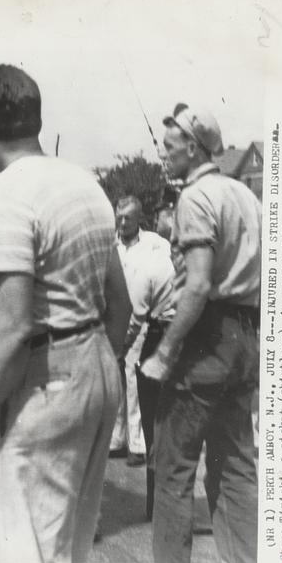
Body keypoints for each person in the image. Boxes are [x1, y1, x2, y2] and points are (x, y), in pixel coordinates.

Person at [0, 64, 132, 563]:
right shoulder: (85, 183)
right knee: (65, 548)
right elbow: (120, 304)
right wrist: (89, 366)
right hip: (95, 371)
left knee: (18, 559)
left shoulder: (5, 192)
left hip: (44, 381)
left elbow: (14, 326)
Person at [140, 103, 261, 563]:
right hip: (246, 339)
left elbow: (199, 284)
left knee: (173, 470)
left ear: (193, 147)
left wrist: (165, 352)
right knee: (235, 469)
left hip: (206, 340)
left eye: (170, 148)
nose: (165, 156)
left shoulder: (194, 198)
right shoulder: (245, 195)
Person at [110, 195, 174, 468]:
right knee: (113, 379)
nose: (123, 222)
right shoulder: (109, 243)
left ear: (139, 219)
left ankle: (138, 444)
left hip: (142, 316)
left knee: (133, 378)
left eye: (128, 218)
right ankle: (116, 439)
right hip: (113, 316)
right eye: (119, 216)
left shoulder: (155, 245)